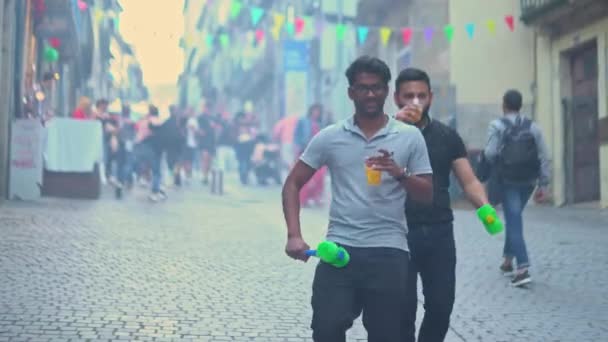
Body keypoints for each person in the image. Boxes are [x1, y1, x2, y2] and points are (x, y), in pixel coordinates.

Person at [282, 56, 434, 342]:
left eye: (376, 87)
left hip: (389, 251)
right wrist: (294, 235)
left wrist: (399, 173)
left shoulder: (409, 137)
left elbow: (427, 194)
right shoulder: (330, 137)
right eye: (363, 88)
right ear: (351, 92)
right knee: (325, 331)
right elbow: (293, 184)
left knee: (388, 336)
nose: (370, 94)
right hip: (340, 251)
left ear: (387, 91)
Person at [393, 68, 490, 342]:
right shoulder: (386, 133)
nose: (415, 102)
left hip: (439, 231)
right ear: (396, 98)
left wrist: (485, 209)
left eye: (421, 96)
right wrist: (395, 129)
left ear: (431, 98)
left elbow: (468, 180)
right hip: (398, 231)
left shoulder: (446, 136)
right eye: (408, 95)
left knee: (441, 304)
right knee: (402, 309)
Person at [483, 89, 551, 286]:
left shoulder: (497, 125)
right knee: (514, 217)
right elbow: (544, 156)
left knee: (514, 222)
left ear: (504, 105)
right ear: (520, 106)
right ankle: (507, 261)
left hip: (508, 180)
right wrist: (543, 183)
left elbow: (490, 152)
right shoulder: (533, 127)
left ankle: (522, 268)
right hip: (528, 181)